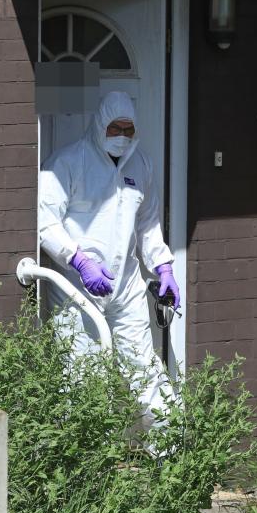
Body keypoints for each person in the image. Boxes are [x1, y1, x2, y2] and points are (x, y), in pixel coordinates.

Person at [38, 90, 180, 426]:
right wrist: (79, 261)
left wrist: (164, 266)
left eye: (127, 130)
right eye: (114, 129)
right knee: (82, 375)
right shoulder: (67, 163)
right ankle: (87, 467)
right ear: (100, 124)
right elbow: (45, 222)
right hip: (77, 287)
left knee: (144, 369)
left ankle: (169, 454)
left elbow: (147, 223)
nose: (121, 137)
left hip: (126, 284)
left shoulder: (140, 165)